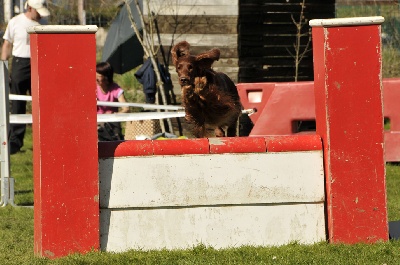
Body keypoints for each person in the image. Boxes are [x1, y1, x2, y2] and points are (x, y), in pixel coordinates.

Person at [1, 0, 50, 154]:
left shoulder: (45, 23)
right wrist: (3, 66)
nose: (40, 15)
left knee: (42, 102)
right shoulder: (15, 22)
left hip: (40, 63)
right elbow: (7, 44)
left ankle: (45, 139)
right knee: (18, 103)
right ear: (29, 8)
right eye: (38, 11)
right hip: (19, 63)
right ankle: (15, 141)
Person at [96, 62, 129, 141]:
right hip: (97, 123)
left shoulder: (115, 89)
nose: (96, 78)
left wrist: (114, 115)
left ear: (106, 77)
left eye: (98, 76)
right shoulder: (93, 88)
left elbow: (126, 108)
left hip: (112, 124)